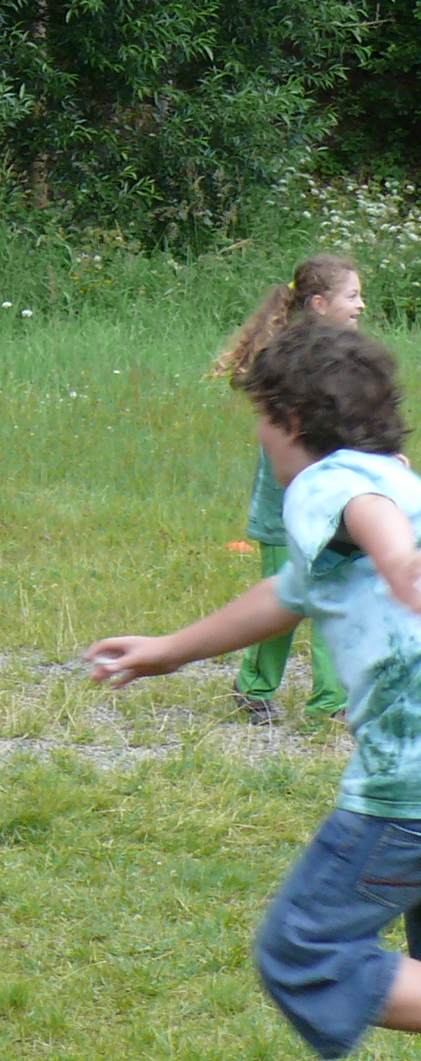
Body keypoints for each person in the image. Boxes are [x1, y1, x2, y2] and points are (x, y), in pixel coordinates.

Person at [88, 321, 421, 1060]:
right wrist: (170, 651)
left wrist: (396, 553)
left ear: (292, 420)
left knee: (307, 954)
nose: (262, 439)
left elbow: (361, 504)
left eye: (262, 420)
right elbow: (290, 592)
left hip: (408, 790)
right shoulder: (398, 476)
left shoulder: (327, 480)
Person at [211, 255, 364, 724]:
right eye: (352, 295)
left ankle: (330, 703)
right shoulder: (291, 362)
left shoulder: (346, 357)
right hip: (286, 514)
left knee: (334, 602)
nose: (361, 305)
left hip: (335, 513)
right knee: (284, 605)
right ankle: (253, 688)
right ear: (318, 304)